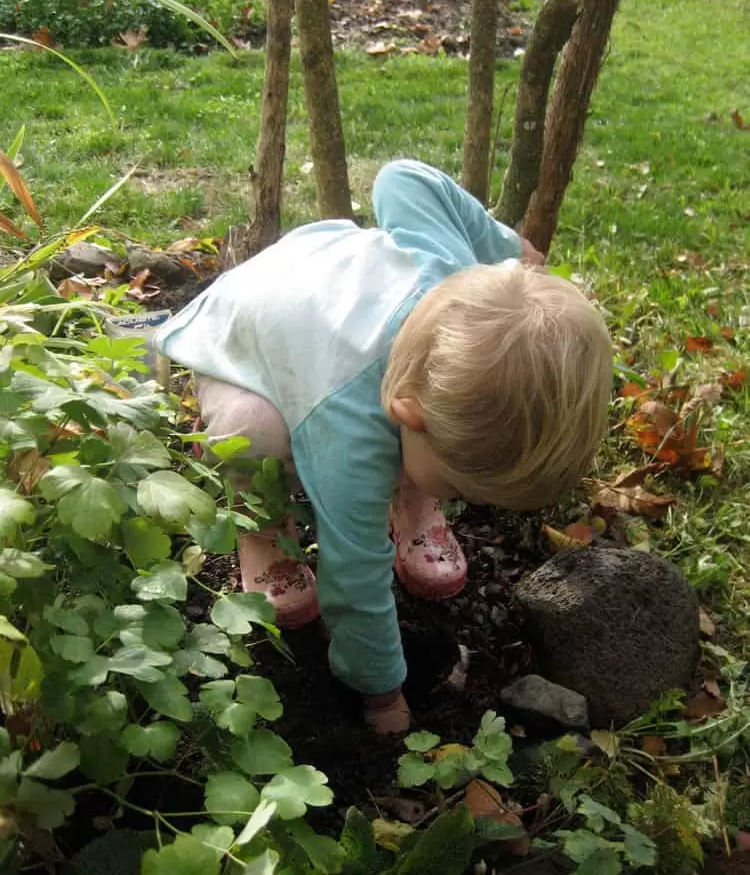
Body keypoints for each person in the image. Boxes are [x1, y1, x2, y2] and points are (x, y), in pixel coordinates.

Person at [154, 159, 613, 735]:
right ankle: (263, 530)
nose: (469, 504)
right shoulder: (347, 428)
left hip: (324, 291)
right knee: (253, 433)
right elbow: (355, 579)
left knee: (421, 457)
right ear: (406, 416)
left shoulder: (461, 283)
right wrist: (381, 695)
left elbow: (404, 180)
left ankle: (413, 493)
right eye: (458, 488)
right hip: (243, 343)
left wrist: (502, 244)